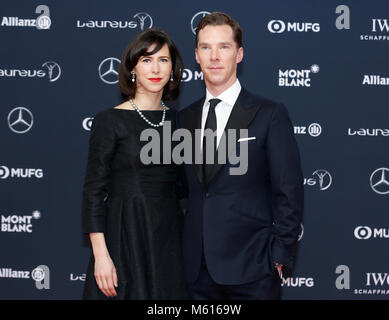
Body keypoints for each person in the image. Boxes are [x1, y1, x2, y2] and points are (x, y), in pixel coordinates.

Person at [177, 12, 304, 300]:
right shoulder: (183, 119)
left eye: (224, 47)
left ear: (239, 53)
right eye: (206, 48)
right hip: (196, 274)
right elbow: (180, 189)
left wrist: (280, 253)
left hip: (253, 269)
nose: (214, 57)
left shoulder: (269, 114)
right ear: (196, 55)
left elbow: (289, 189)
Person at [81, 28, 187, 299]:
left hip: (169, 240)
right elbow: (94, 191)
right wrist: (101, 255)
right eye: (146, 60)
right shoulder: (110, 121)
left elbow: (185, 190)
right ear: (132, 68)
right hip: (124, 237)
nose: (155, 68)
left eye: (163, 60)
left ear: (173, 69)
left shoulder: (180, 122)